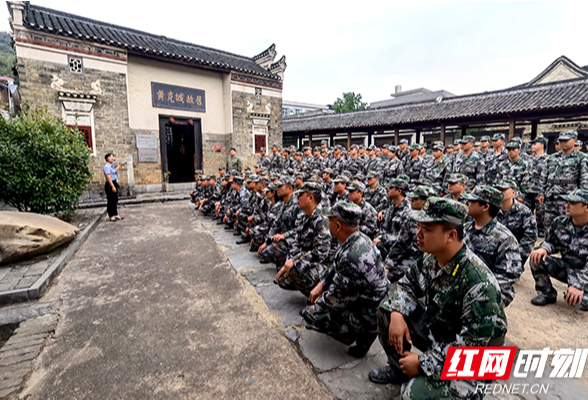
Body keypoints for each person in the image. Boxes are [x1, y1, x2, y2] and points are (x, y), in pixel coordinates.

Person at [369, 197, 507, 400]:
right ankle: (400, 369)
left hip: (474, 360)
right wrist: (397, 312)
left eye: (427, 228)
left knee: (411, 394)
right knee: (387, 310)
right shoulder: (430, 257)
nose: (418, 234)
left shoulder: (479, 283)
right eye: (418, 226)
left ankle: (468, 391)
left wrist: (422, 362)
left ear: (451, 235)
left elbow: (470, 351)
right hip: (441, 335)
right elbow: (407, 284)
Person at [303, 201, 389, 358]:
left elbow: (333, 299)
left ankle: (353, 333)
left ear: (338, 226)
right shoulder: (359, 239)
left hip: (370, 312)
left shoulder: (351, 257)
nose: (327, 222)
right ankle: (366, 334)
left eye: (330, 219)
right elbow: (336, 266)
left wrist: (311, 308)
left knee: (313, 316)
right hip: (374, 303)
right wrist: (321, 284)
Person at [529, 188, 588, 310]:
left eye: (572, 203)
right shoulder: (560, 222)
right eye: (567, 202)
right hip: (568, 267)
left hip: (585, 274)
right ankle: (547, 293)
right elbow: (551, 242)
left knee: (580, 302)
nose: (567, 205)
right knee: (537, 257)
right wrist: (544, 248)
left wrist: (578, 285)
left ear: (586, 207)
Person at [464, 185, 523, 306]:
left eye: (472, 201)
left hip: (490, 291)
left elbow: (506, 279)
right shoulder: (464, 229)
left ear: (486, 207)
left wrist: (474, 293)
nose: (466, 202)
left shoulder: (505, 239)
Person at [276, 182, 331, 296]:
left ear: (310, 198)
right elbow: (298, 236)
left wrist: (295, 261)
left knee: (294, 270)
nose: (297, 198)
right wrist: (290, 258)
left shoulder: (322, 219)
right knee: (283, 278)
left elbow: (320, 253)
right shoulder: (308, 215)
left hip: (328, 265)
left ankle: (321, 298)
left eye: (300, 195)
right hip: (314, 259)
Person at [540, 130, 588, 232]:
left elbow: (584, 180)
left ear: (575, 141)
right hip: (550, 198)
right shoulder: (551, 158)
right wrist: (541, 193)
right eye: (561, 140)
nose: (562, 143)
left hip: (568, 200)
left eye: (566, 140)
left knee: (566, 227)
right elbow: (544, 176)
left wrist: (581, 200)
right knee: (549, 225)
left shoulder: (581, 158)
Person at [495, 179, 537, 265]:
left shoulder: (524, 211)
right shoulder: (491, 209)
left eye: (504, 190)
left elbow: (530, 237)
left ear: (514, 192)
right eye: (498, 189)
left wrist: (517, 256)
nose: (500, 192)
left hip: (515, 251)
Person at [103, 153, 126, 221]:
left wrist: (120, 165)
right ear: (107, 159)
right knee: (110, 200)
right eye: (111, 157)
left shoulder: (111, 166)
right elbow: (108, 177)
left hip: (114, 183)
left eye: (113, 157)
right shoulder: (106, 167)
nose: (113, 158)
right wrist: (113, 186)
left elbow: (115, 171)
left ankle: (115, 214)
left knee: (115, 199)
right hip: (110, 184)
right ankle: (111, 215)